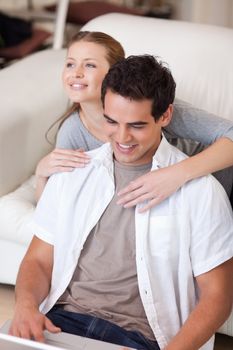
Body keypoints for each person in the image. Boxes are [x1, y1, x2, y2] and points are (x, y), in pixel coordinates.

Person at [10, 55, 233, 350]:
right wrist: (26, 307)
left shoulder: (201, 192)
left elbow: (218, 296)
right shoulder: (73, 174)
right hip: (61, 323)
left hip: (143, 338)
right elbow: (38, 259)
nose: (122, 137)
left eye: (137, 125)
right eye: (112, 121)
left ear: (165, 116)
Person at [35, 31, 233, 209]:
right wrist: (41, 173)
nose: (76, 73)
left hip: (205, 187)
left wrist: (177, 174)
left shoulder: (151, 104)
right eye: (70, 63)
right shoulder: (73, 131)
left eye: (89, 65)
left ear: (114, 72)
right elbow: (52, 214)